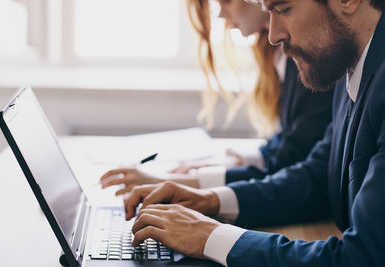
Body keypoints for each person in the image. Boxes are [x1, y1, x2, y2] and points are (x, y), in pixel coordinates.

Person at [121, 0, 385, 266]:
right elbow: (316, 178)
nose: (272, 35)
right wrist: (209, 200)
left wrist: (211, 237)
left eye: (283, 9)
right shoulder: (352, 64)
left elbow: (361, 257)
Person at [98, 0, 333, 193]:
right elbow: (289, 141)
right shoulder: (276, 55)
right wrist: (232, 161)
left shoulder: (308, 57)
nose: (220, 13)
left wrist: (173, 182)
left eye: (226, 1)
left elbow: (289, 160)